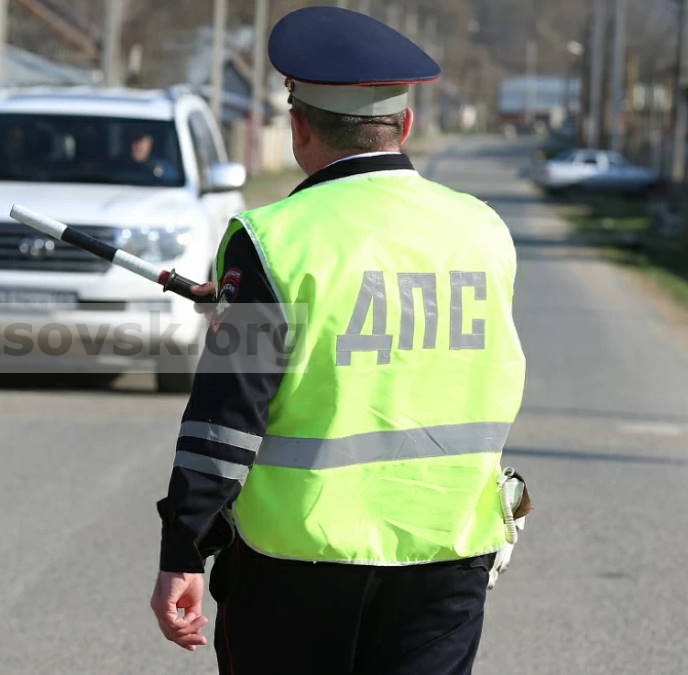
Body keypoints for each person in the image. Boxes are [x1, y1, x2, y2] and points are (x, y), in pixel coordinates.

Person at [149, 7, 527, 674]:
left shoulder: (274, 239)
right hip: (450, 551)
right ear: (405, 125)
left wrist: (185, 547)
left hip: (299, 562)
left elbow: (226, 417)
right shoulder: (483, 229)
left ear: (299, 128)